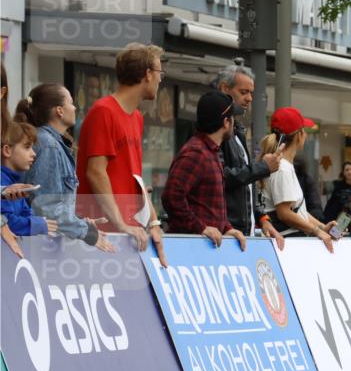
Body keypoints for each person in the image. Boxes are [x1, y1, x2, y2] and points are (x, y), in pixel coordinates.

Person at [75, 43, 167, 266]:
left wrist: (154, 223)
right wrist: (120, 223)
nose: (161, 79)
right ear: (147, 74)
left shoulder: (136, 117)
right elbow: (96, 173)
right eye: (159, 73)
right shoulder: (104, 111)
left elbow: (135, 178)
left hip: (128, 235)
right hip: (101, 237)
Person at [16, 84, 113, 251]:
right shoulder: (49, 145)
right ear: (59, 111)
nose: (75, 107)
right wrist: (86, 232)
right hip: (38, 248)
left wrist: (81, 223)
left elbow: (51, 205)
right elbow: (48, 207)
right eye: (71, 102)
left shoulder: (51, 143)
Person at [161, 91, 247, 250]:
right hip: (191, 249)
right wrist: (200, 227)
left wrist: (227, 228)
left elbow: (210, 204)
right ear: (226, 122)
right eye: (233, 118)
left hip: (204, 249)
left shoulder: (209, 151)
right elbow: (171, 197)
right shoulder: (196, 153)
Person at [211, 63, 285, 248]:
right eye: (243, 92)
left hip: (243, 233)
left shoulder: (238, 130)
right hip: (225, 234)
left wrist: (263, 218)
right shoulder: (214, 131)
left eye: (251, 93)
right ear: (224, 89)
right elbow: (221, 176)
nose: (249, 98)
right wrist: (262, 168)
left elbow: (247, 185)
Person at [258, 107, 335, 252]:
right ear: (299, 135)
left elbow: (298, 210)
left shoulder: (284, 166)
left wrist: (322, 227)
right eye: (304, 130)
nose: (305, 134)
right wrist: (317, 231)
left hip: (289, 242)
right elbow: (285, 213)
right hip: (288, 244)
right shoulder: (282, 169)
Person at [1, 119, 57, 236]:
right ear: (7, 150)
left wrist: (46, 224)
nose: (34, 153)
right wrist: (39, 225)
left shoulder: (14, 182)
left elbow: (26, 213)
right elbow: (6, 223)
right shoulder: (2, 181)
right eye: (27, 147)